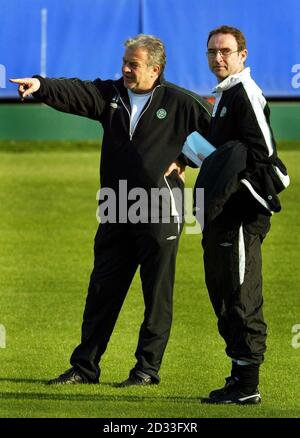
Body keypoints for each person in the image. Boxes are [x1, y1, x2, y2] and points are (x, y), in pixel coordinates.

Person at [11, 34, 211, 386]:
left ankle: (146, 370)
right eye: (125, 62)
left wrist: (185, 159)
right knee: (102, 289)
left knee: (156, 294)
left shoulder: (181, 102)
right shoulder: (111, 95)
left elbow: (218, 137)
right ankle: (85, 367)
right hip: (115, 207)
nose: (125, 69)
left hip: (162, 209)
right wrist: (41, 86)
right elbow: (76, 92)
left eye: (133, 64)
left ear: (155, 69)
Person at [194, 26, 289, 404]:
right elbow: (219, 151)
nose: (218, 57)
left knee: (240, 292)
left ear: (242, 55)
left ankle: (248, 385)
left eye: (226, 51)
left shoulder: (244, 92)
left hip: (240, 214)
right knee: (223, 290)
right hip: (222, 212)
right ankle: (238, 378)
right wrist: (186, 158)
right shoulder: (226, 95)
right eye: (212, 52)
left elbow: (263, 151)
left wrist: (239, 190)